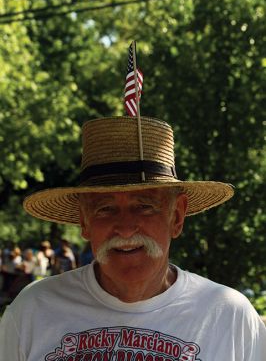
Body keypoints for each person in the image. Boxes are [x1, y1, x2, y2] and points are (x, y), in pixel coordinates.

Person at [0, 116, 265, 360]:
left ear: (177, 217)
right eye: (105, 208)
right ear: (84, 221)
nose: (125, 229)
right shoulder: (33, 311)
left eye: (145, 206)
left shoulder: (229, 317)